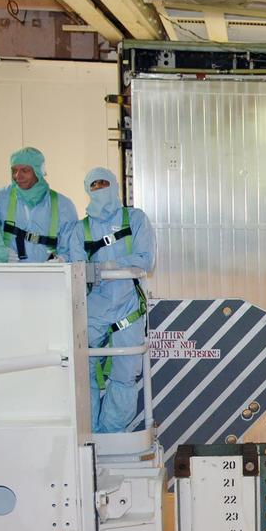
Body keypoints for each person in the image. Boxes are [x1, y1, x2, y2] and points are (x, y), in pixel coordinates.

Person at [80, 167, 154, 433]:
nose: (100, 190)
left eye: (104, 184)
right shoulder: (81, 230)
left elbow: (146, 259)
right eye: (94, 185)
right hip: (93, 309)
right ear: (87, 190)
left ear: (114, 185)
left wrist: (113, 265)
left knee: (125, 374)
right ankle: (88, 433)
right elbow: (77, 268)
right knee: (82, 370)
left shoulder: (135, 220)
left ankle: (112, 432)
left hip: (128, 309)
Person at [0, 146, 80, 262]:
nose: (17, 176)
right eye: (14, 170)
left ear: (38, 172)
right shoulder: (0, 198)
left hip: (47, 276)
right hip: (9, 274)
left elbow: (73, 246)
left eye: (25, 170)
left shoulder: (63, 205)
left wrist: (62, 259)